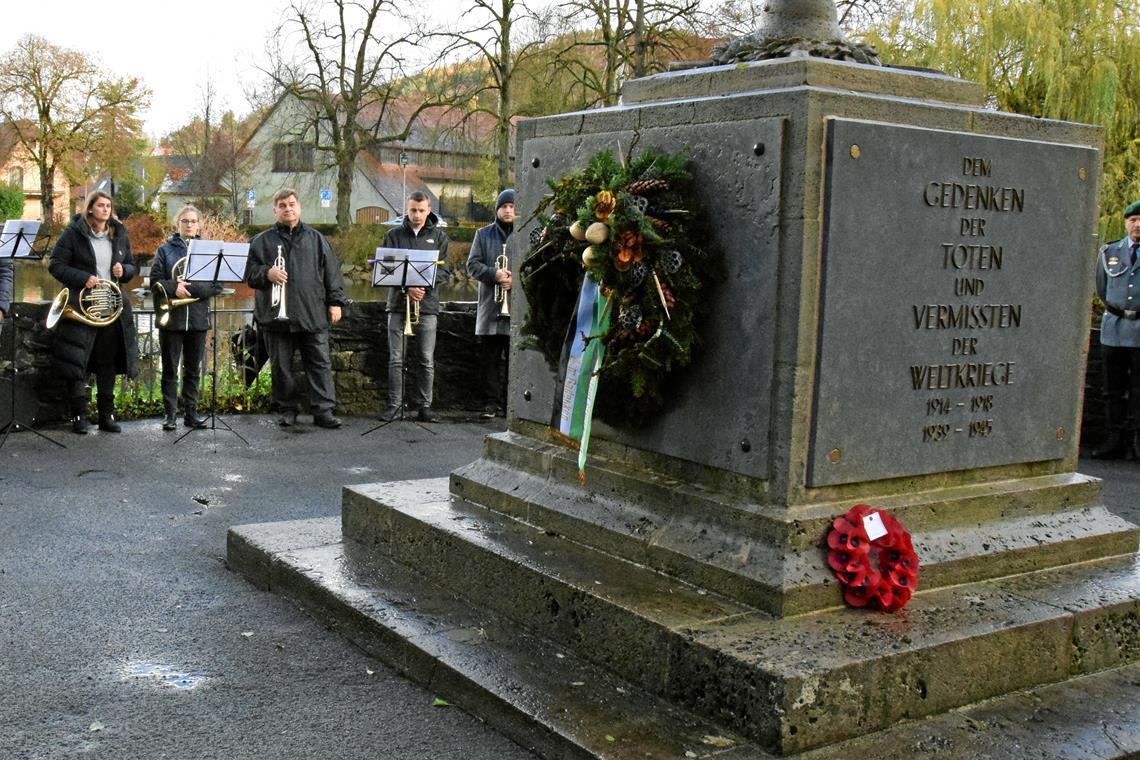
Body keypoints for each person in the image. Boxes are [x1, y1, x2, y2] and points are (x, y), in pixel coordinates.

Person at [246, 188, 346, 429]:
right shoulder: (261, 241)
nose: (288, 208)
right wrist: (266, 273)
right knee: (281, 367)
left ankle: (323, 411)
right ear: (275, 210)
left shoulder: (317, 239)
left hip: (312, 313)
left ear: (299, 207)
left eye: (292, 204)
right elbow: (248, 274)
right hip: (275, 317)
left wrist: (335, 302)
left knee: (319, 364)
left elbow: (332, 274)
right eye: (282, 205)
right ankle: (287, 409)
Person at [48, 191, 139, 434]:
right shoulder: (73, 233)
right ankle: (79, 416)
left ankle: (106, 416)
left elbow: (132, 265)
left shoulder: (119, 233)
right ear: (90, 209)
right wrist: (82, 278)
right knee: (79, 363)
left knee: (107, 362)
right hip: (80, 306)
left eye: (108, 205)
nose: (105, 209)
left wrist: (125, 270)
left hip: (110, 309)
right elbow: (55, 264)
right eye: (101, 205)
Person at [151, 205, 223, 431]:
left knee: (193, 370)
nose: (189, 225)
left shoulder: (209, 251)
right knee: (170, 369)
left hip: (198, 320)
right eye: (185, 221)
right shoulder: (165, 251)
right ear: (177, 224)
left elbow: (217, 285)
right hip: (172, 319)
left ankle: (191, 414)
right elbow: (155, 281)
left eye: (193, 221)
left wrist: (191, 290)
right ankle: (170, 414)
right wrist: (174, 287)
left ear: (199, 224)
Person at [381, 192, 450, 422]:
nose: (417, 215)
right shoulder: (393, 235)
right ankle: (394, 405)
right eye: (413, 210)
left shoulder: (440, 237)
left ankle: (424, 407)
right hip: (398, 305)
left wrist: (421, 285)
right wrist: (407, 287)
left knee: (425, 358)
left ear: (429, 210)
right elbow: (386, 270)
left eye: (421, 210)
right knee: (395, 358)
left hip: (427, 306)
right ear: (406, 209)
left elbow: (444, 271)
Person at [1093, 199, 1140, 459]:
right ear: (1126, 223)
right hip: (1115, 327)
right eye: (1133, 220)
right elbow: (1101, 287)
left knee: (1138, 389)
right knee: (1112, 388)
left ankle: (1136, 440)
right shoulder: (1109, 252)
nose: (1138, 225)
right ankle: (1114, 438)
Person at [466, 188, 514, 419]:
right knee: (490, 360)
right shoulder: (482, 234)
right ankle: (491, 403)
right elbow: (472, 265)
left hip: (515, 308)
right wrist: (495, 274)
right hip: (490, 307)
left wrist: (514, 280)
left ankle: (510, 403)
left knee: (514, 361)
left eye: (512, 206)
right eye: (504, 206)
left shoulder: (524, 234)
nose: (508, 210)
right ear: (497, 209)